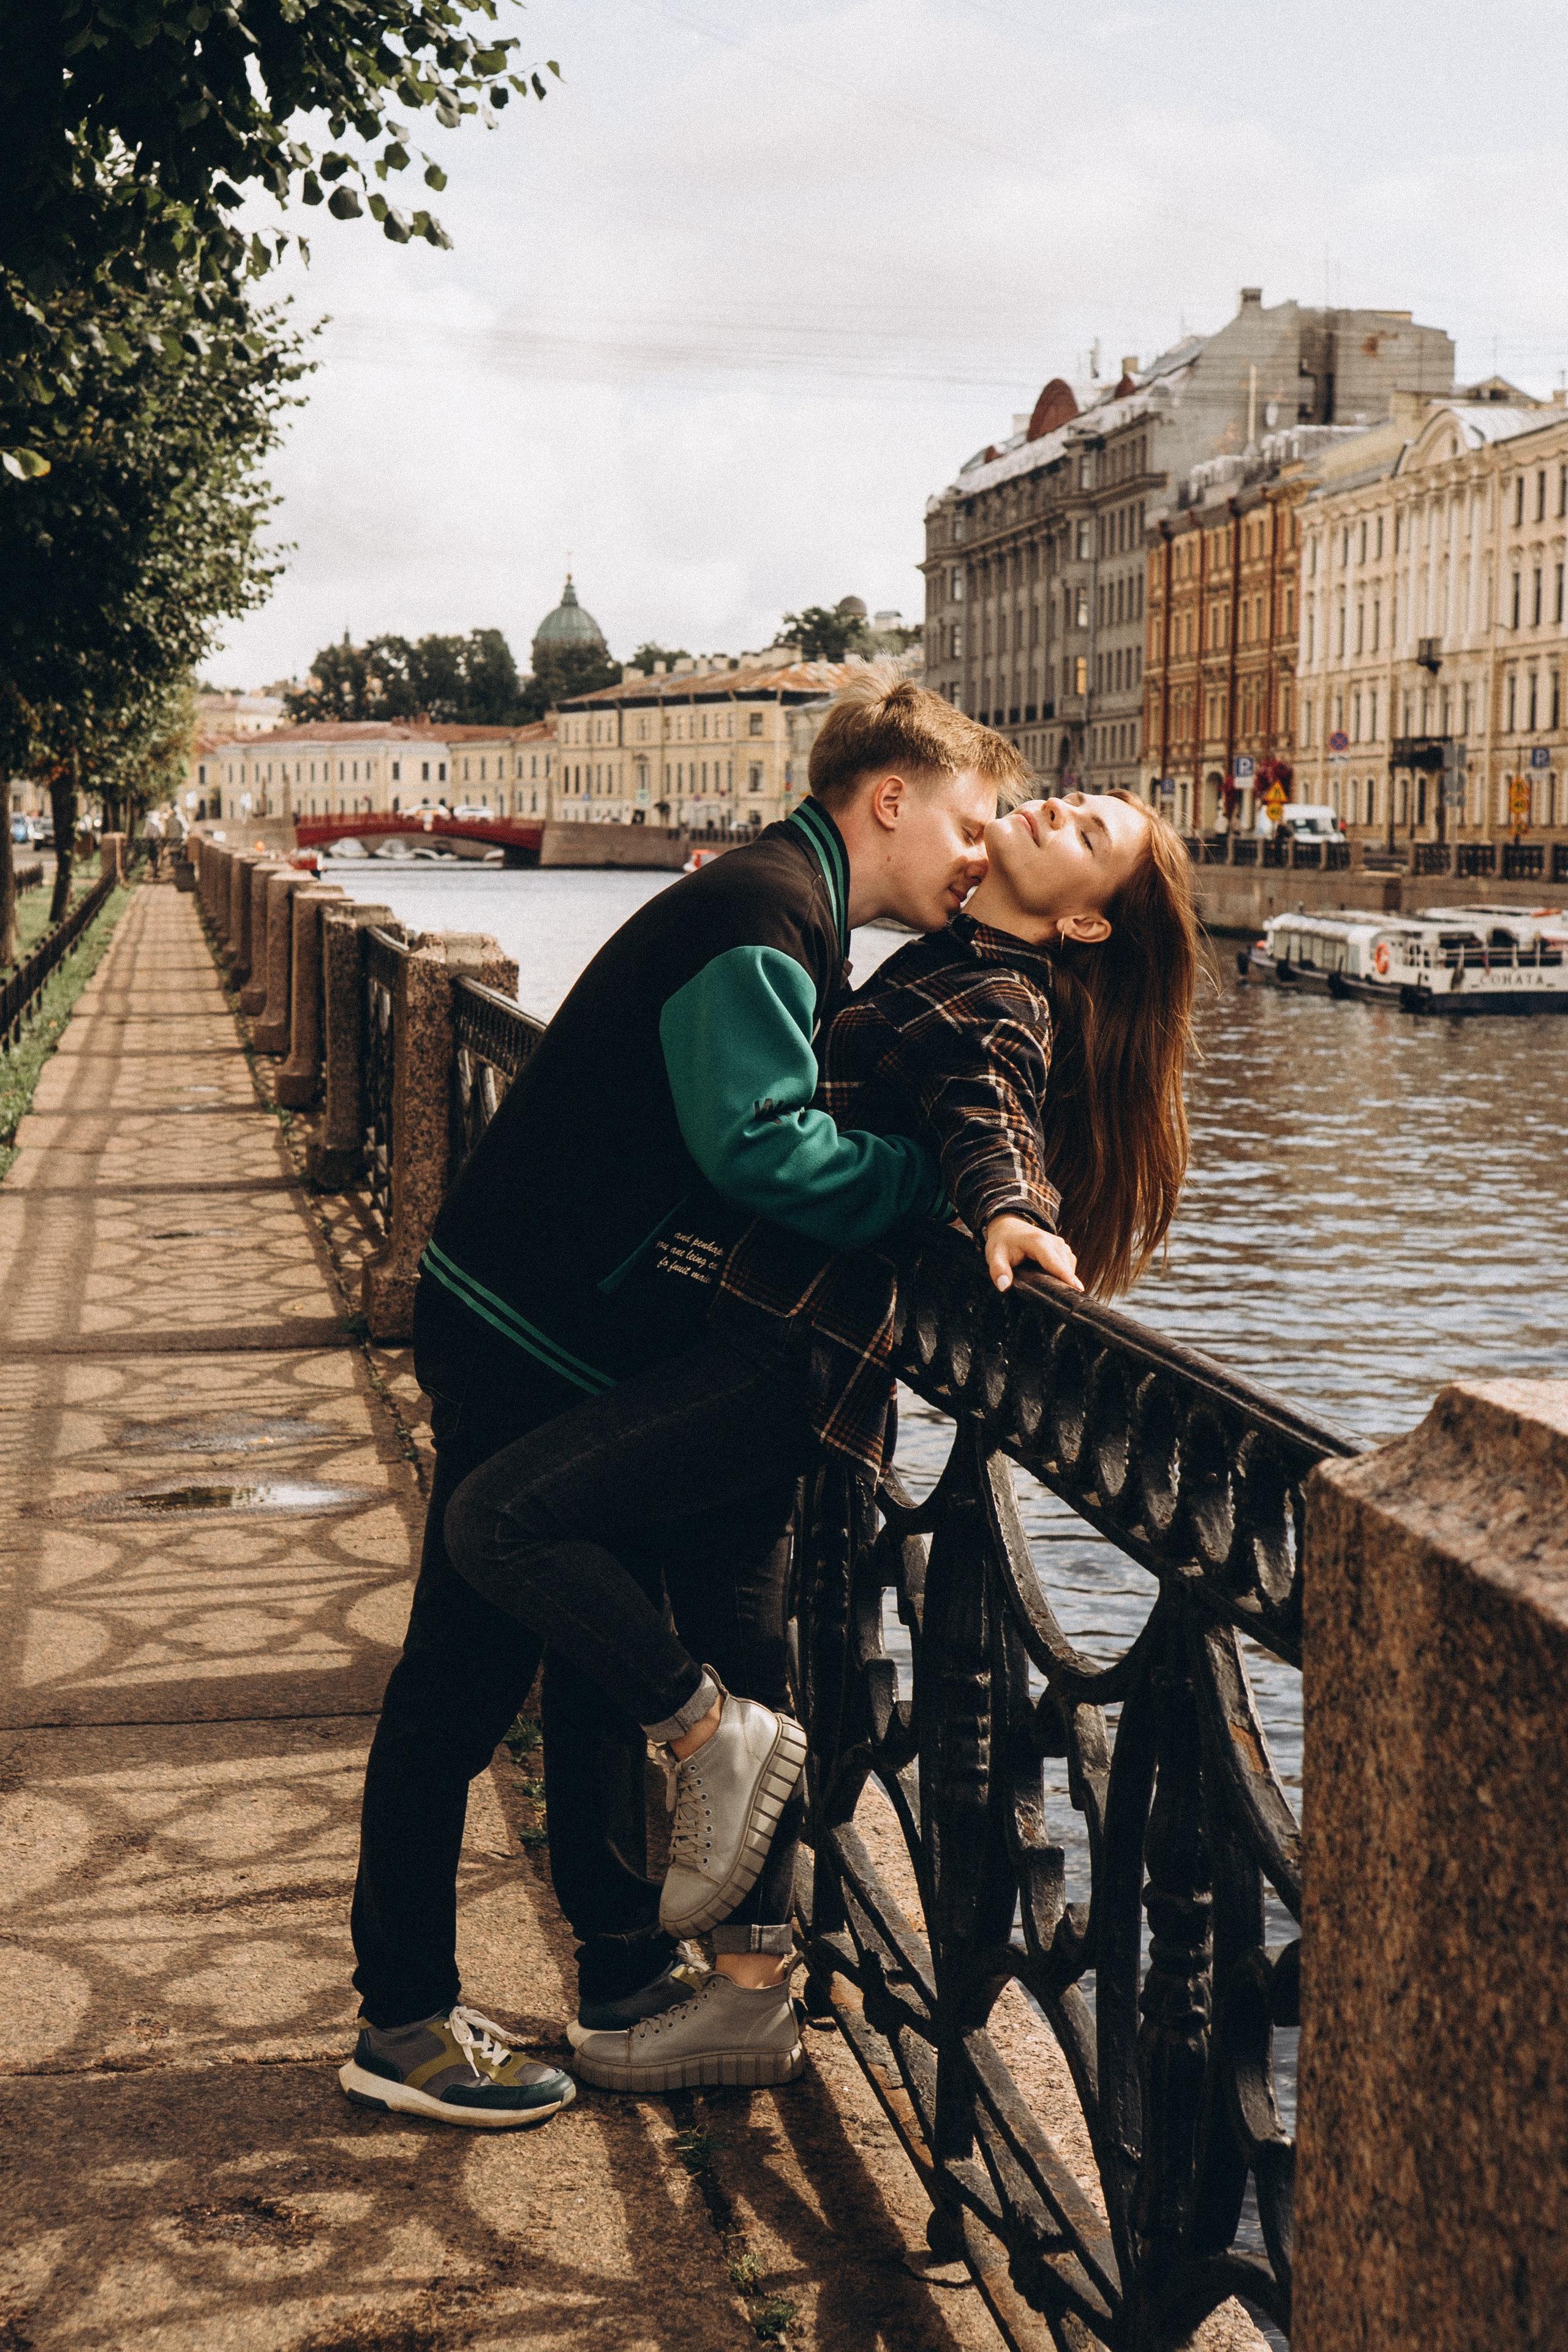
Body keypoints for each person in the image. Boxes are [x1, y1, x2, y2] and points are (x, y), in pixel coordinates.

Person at [340, 672, 1023, 2128]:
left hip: (559, 1322)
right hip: (526, 1323)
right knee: (460, 1679)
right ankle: (398, 2018)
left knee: (582, 1671)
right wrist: (928, 1196)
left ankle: (619, 1974)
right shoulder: (760, 915)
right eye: (972, 821)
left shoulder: (782, 906)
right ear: (888, 798)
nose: (981, 852)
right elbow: (761, 1152)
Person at [440, 785, 1199, 2096]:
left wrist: (1007, 1210)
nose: (1058, 807)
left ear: (1083, 923)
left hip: (779, 1359)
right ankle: (742, 1995)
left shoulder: (998, 996)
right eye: (1073, 801)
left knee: (505, 1522)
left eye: (1088, 834)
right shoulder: (950, 952)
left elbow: (987, 1110)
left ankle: (694, 1738)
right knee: (747, 1652)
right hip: (753, 1344)